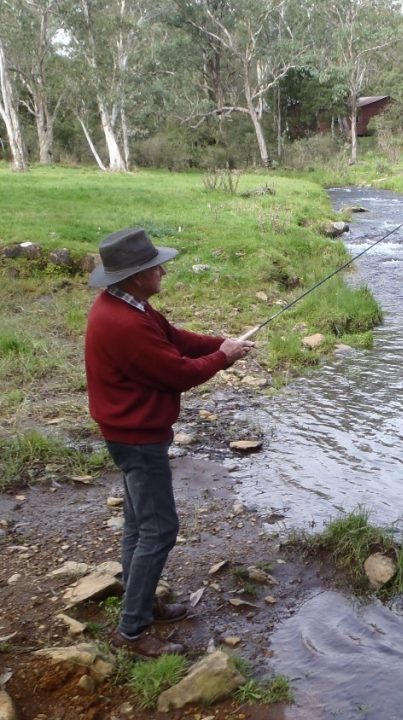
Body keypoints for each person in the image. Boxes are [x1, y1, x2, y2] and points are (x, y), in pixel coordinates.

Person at [84, 227, 254, 657]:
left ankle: (140, 603)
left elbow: (176, 340)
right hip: (137, 439)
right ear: (135, 275)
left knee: (139, 525)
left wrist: (223, 344)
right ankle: (132, 632)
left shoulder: (129, 305)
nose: (163, 270)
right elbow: (178, 372)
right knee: (160, 529)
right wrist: (224, 359)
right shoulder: (123, 323)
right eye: (154, 265)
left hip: (130, 434)